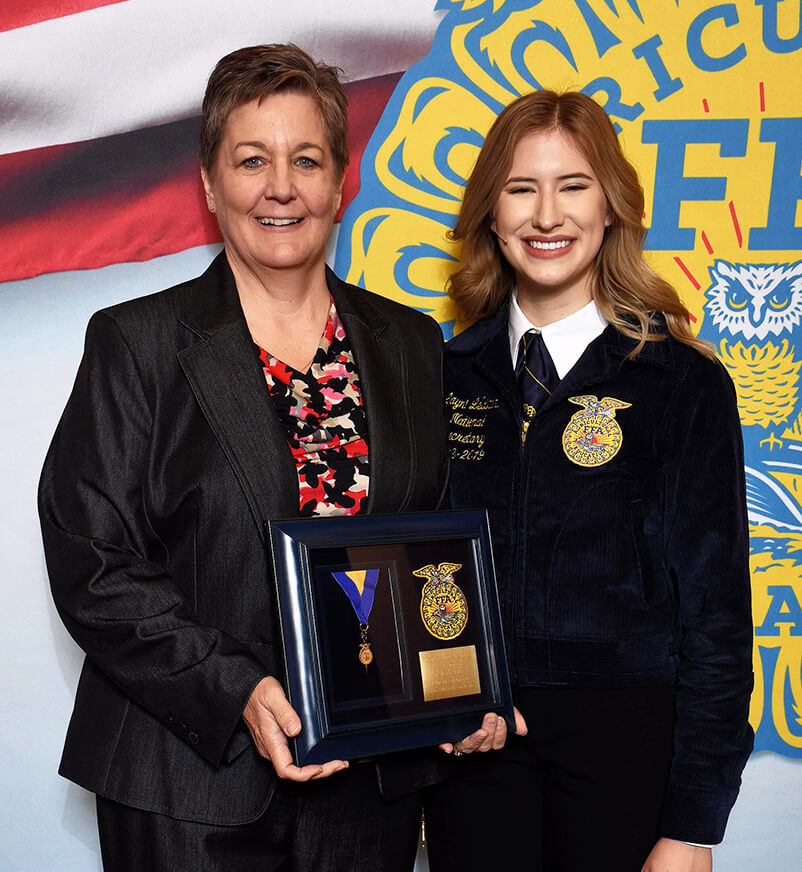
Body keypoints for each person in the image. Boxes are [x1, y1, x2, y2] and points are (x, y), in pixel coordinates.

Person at [38, 43, 503, 872]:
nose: (280, 186)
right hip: (186, 784)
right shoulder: (136, 343)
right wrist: (238, 690)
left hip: (369, 785)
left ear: (339, 182)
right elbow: (92, 560)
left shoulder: (410, 343)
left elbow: (437, 541)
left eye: (306, 159)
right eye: (251, 160)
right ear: (212, 185)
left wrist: (469, 682)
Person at [424, 90, 754, 872]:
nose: (547, 215)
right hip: (474, 757)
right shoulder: (438, 376)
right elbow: (408, 567)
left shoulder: (681, 385)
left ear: (611, 207)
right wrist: (432, 706)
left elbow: (717, 622)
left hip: (629, 759)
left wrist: (692, 826)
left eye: (573, 185)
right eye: (520, 188)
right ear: (490, 215)